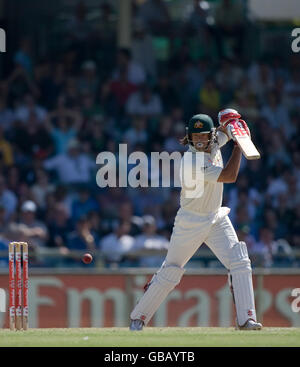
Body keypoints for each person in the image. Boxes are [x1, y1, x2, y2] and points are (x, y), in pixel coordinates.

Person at [129, 110, 262, 331]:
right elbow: (230, 176)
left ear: (210, 136)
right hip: (190, 222)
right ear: (189, 137)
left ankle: (246, 319)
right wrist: (239, 147)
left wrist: (231, 124)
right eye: (195, 136)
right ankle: (139, 317)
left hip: (215, 217)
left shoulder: (213, 141)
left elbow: (223, 132)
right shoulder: (192, 161)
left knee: (239, 259)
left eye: (203, 136)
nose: (199, 140)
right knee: (171, 270)